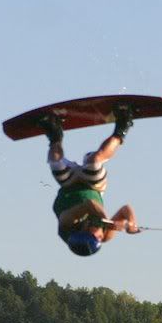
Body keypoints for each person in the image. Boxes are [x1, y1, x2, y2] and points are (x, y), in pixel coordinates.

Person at [38, 107, 141, 256]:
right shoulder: (105, 235)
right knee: (93, 161)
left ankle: (55, 133)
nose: (100, 235)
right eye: (100, 238)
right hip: (93, 186)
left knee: (55, 163)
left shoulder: (66, 224)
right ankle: (123, 124)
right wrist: (131, 223)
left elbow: (90, 205)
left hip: (69, 183)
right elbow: (126, 209)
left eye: (96, 235)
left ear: (82, 230)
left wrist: (106, 221)